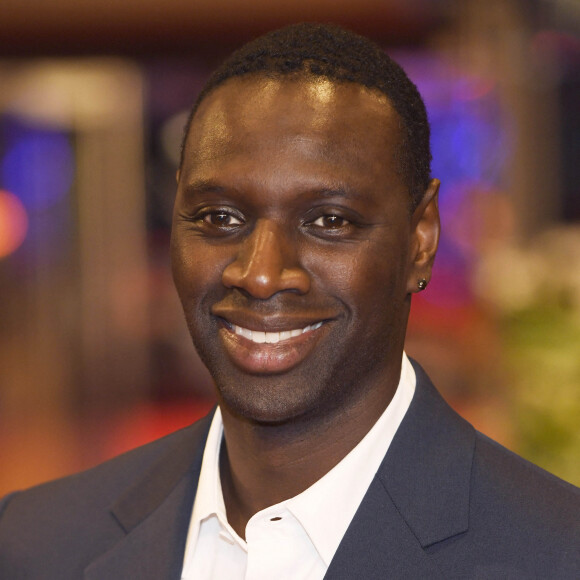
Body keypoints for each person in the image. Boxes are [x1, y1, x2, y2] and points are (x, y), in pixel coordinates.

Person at [0, 23, 578, 580]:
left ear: (420, 240)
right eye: (219, 217)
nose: (260, 274)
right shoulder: (34, 542)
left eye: (329, 220)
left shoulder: (555, 553)